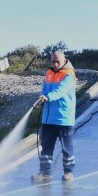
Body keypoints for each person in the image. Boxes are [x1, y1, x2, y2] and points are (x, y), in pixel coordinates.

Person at [32, 51, 77, 183]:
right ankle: (45, 172)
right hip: (48, 118)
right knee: (46, 146)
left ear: (64, 60)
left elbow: (61, 91)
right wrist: (43, 96)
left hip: (63, 118)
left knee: (66, 147)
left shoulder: (69, 75)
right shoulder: (49, 73)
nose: (56, 64)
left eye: (58, 61)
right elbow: (45, 88)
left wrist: (48, 97)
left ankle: (68, 172)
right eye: (53, 61)